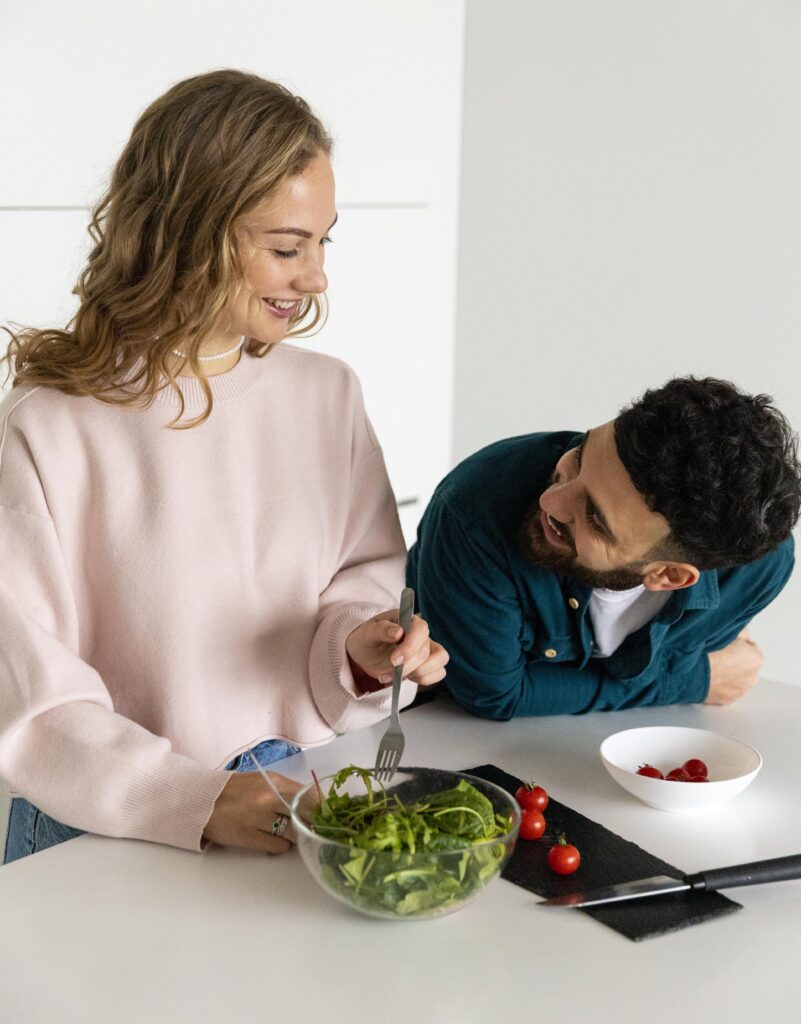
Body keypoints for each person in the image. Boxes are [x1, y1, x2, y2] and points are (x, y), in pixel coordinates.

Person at [0, 70, 448, 864]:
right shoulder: (48, 424)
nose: (314, 278)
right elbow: (30, 693)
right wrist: (194, 799)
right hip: (104, 825)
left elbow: (358, 582)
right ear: (186, 232)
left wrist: (361, 646)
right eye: (286, 247)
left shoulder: (326, 395)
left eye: (320, 242)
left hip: (291, 791)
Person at [407, 377, 800, 719]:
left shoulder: (757, 572)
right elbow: (494, 695)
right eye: (579, 458)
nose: (551, 502)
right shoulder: (475, 511)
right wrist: (695, 680)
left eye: (594, 517)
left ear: (669, 576)